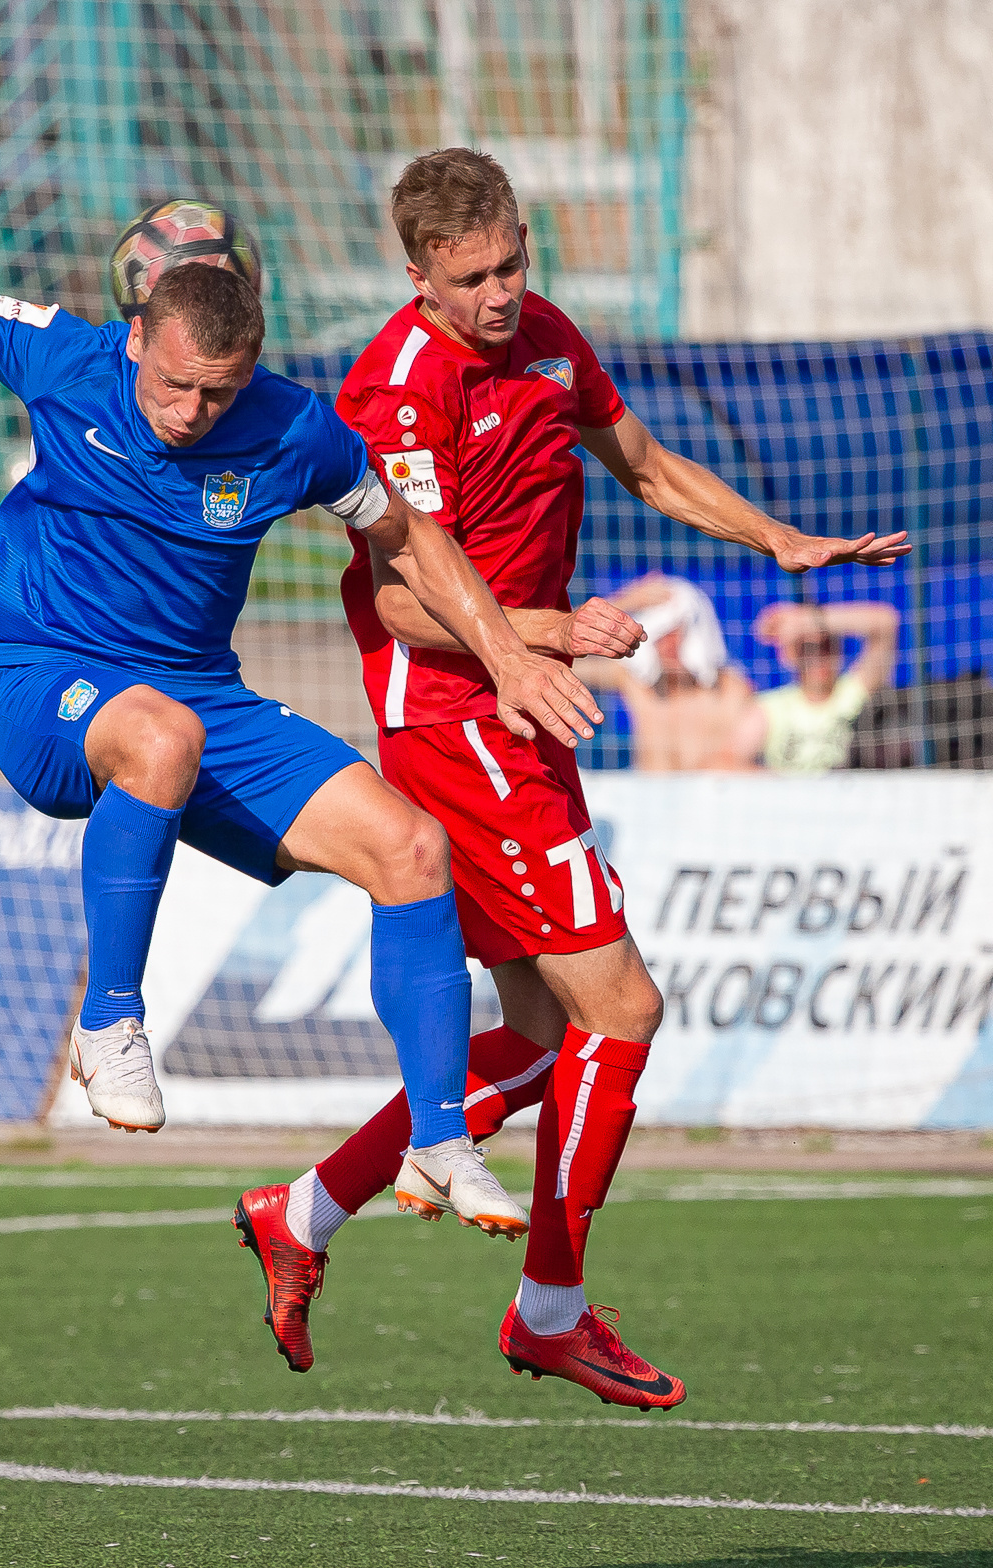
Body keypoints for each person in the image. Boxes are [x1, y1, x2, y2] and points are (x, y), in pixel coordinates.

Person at [0, 91, 606, 1233]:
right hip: (50, 692)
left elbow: (406, 535)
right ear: (138, 338)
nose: (191, 413)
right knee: (158, 733)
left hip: (203, 703)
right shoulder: (65, 359)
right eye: (172, 385)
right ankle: (109, 1020)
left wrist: (505, 649)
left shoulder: (293, 426)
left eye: (218, 393)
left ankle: (443, 1140)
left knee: (412, 847)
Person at [230, 149, 910, 1406]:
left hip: (526, 712)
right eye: (473, 276)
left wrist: (780, 538)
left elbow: (644, 463)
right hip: (454, 719)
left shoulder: (545, 337)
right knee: (625, 1008)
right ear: (419, 270)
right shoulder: (395, 390)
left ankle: (307, 1210)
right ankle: (550, 1309)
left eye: (513, 264)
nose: (500, 293)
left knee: (544, 1036)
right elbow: (396, 601)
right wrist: (547, 630)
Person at [576, 574, 765, 771]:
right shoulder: (637, 683)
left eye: (677, 634)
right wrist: (621, 603)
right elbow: (556, 652)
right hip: (648, 797)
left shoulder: (729, 689)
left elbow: (740, 766)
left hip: (712, 798)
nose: (669, 646)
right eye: (660, 635)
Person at [752, 599, 900, 774]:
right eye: (807, 647)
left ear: (838, 649)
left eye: (825, 645)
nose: (818, 656)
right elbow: (727, 757)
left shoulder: (855, 692)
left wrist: (806, 621)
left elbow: (886, 622)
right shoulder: (769, 708)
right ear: (789, 654)